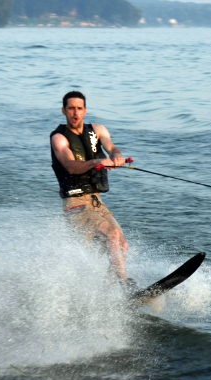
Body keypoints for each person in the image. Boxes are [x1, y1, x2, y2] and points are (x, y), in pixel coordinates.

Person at [50, 91, 131, 284]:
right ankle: (123, 283)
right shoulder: (59, 138)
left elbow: (111, 147)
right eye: (71, 108)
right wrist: (96, 162)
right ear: (64, 111)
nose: (75, 113)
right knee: (111, 235)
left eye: (79, 108)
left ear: (85, 110)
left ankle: (111, 287)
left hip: (96, 202)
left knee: (122, 244)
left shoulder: (98, 130)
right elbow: (71, 165)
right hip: (76, 204)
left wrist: (117, 156)